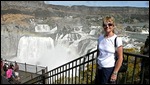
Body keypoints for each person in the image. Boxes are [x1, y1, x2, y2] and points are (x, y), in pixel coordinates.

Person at [95, 16, 123, 84]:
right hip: (99, 67)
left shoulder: (117, 39)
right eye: (105, 25)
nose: (107, 26)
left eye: (110, 24)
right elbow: (99, 52)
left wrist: (115, 73)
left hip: (109, 69)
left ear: (113, 26)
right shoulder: (100, 38)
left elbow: (120, 58)